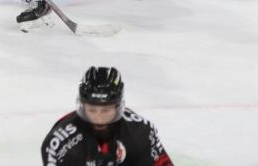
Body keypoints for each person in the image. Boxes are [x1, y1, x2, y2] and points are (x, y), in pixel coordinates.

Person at [41, 67, 173, 166]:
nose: (99, 118)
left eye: (106, 110)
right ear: (82, 107)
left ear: (118, 108)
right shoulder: (59, 143)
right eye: (92, 110)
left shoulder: (140, 132)